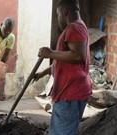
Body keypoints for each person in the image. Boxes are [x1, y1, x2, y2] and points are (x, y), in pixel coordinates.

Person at [33, 0, 92, 134]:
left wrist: (50, 53)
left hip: (70, 94)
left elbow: (78, 56)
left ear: (64, 12)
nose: (57, 18)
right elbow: (64, 61)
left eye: (57, 14)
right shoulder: (78, 27)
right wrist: (43, 72)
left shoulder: (74, 28)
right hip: (73, 93)